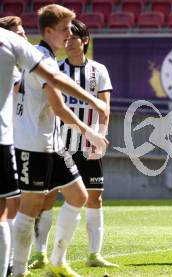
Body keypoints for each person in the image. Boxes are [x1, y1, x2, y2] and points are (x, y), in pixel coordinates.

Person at [11, 4, 109, 277]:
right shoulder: (41, 58)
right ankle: (17, 269)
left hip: (52, 144)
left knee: (79, 195)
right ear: (48, 31)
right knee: (28, 209)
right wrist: (88, 130)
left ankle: (57, 261)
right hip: (33, 145)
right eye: (65, 29)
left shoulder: (45, 57)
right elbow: (59, 107)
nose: (69, 34)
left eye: (71, 29)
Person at [29, 19, 118, 269]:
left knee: (95, 197)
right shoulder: (55, 69)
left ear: (84, 41)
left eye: (74, 38)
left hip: (88, 146)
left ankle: (94, 254)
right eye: (66, 38)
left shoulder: (98, 70)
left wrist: (100, 137)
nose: (69, 42)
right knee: (48, 197)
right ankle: (40, 253)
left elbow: (105, 107)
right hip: (60, 145)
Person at [0, 15, 28, 276]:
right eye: (18, 34)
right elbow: (24, 90)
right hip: (7, 140)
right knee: (14, 203)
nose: (24, 38)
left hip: (12, 138)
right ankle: (7, 265)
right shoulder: (14, 65)